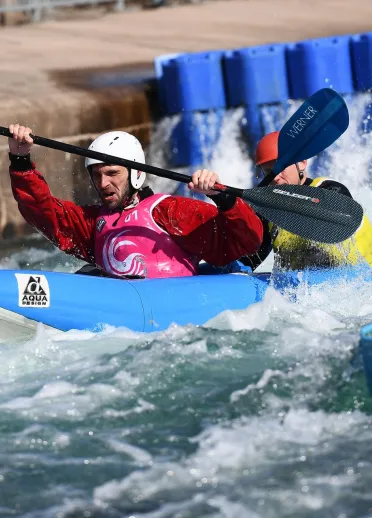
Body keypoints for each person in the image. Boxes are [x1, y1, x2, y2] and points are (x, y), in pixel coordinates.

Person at [8, 124, 263, 279]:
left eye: (112, 173)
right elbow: (43, 212)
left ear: (136, 174)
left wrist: (225, 199)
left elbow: (245, 241)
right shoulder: (92, 224)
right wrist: (20, 160)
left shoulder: (171, 211)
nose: (103, 183)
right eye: (97, 175)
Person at [241, 131, 372, 271]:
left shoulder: (331, 190)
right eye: (269, 172)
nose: (276, 177)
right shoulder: (268, 212)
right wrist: (228, 205)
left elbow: (329, 232)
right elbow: (247, 262)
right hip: (310, 290)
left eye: (281, 167)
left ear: (302, 163)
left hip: (362, 285)